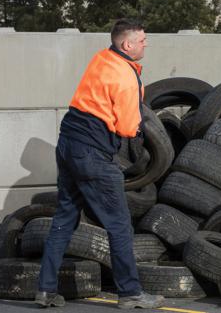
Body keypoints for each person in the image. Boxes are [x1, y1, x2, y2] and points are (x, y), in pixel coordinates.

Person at [35, 19, 165, 309]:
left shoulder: (102, 58)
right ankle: (131, 293)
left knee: (65, 218)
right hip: (93, 154)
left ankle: (45, 289)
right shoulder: (126, 76)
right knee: (119, 226)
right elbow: (128, 128)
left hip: (68, 144)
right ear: (127, 44)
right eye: (142, 40)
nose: (146, 44)